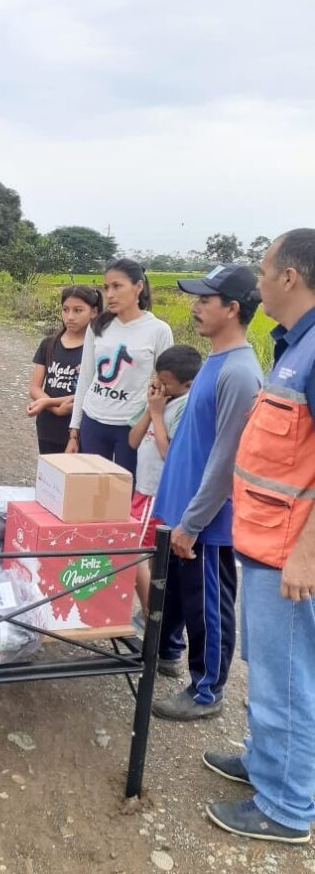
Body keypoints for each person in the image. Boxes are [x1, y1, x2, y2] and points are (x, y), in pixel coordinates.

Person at [204, 230, 315, 845]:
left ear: (290, 278)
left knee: (288, 679)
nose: (261, 281)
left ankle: (288, 808)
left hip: (291, 555)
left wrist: (307, 553)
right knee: (266, 667)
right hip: (266, 544)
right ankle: (265, 763)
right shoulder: (294, 346)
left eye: (266, 270)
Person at [151, 265, 263, 721]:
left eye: (205, 300)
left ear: (232, 309)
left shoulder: (238, 373)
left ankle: (206, 691)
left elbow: (226, 461)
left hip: (207, 524)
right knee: (181, 598)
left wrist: (193, 523)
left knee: (208, 609)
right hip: (184, 513)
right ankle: (168, 654)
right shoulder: (215, 362)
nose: (195, 307)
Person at [67, 259, 173, 473]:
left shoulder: (158, 330)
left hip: (131, 426)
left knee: (126, 493)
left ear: (138, 286)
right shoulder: (98, 326)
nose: (110, 294)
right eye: (107, 288)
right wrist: (74, 429)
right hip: (93, 420)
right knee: (91, 490)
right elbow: (86, 378)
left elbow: (168, 385)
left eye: (117, 286)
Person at [128, 344, 202, 616]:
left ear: (188, 384)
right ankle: (152, 614)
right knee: (141, 555)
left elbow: (167, 453)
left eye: (167, 382)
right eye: (157, 377)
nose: (159, 384)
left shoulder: (184, 406)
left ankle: (152, 615)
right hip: (142, 488)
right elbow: (133, 440)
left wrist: (158, 414)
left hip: (157, 493)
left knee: (135, 553)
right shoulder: (160, 400)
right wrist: (151, 409)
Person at [27, 285, 103, 454]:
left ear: (94, 312)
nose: (70, 317)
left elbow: (91, 391)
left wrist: (48, 402)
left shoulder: (98, 348)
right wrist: (55, 408)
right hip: (48, 426)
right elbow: (34, 387)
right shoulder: (49, 344)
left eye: (78, 310)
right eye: (65, 310)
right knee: (51, 477)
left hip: (81, 428)